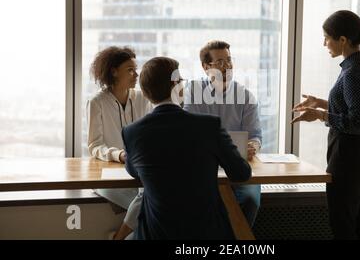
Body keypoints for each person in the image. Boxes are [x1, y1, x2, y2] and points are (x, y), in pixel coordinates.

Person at [122, 56, 251, 239]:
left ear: (145, 92)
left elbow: (134, 172)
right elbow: (241, 174)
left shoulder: (131, 133)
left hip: (156, 233)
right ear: (177, 86)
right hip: (206, 233)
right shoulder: (209, 126)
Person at [292, 10, 360, 240]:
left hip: (350, 154)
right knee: (359, 224)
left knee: (344, 226)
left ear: (342, 40)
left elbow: (358, 122)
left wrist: (320, 115)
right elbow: (355, 106)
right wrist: (321, 102)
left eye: (327, 37)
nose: (324, 43)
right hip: (357, 153)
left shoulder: (353, 72)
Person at [183, 40, 262, 227]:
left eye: (229, 60)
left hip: (238, 164)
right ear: (205, 67)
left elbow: (255, 135)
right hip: (203, 166)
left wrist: (253, 146)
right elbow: (188, 133)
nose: (226, 66)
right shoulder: (193, 91)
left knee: (250, 200)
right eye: (219, 62)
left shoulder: (246, 96)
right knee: (201, 203)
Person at [86, 46, 151, 240]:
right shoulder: (97, 102)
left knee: (151, 202)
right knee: (151, 205)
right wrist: (119, 155)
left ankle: (118, 238)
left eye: (136, 69)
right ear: (114, 72)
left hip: (140, 173)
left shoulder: (142, 98)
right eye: (130, 70)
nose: (136, 74)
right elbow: (94, 145)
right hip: (110, 177)